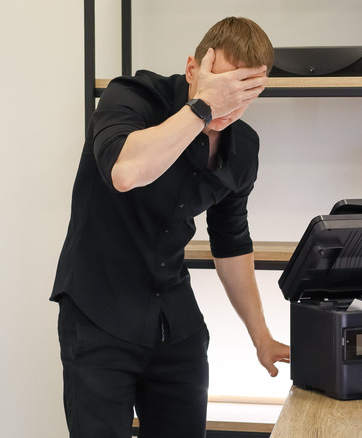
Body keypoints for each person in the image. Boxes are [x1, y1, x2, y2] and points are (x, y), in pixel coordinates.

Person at [50, 16, 290, 438]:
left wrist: (261, 337)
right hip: (98, 310)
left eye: (244, 93)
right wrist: (202, 108)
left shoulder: (243, 147)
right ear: (193, 69)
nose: (229, 106)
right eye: (222, 86)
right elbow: (125, 172)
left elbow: (231, 242)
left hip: (173, 319)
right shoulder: (133, 96)